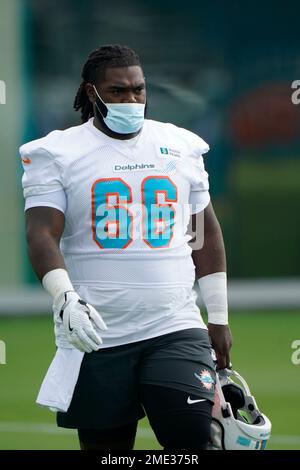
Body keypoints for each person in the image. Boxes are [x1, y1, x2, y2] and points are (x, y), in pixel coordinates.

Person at [20, 44, 232, 450]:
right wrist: (64, 298)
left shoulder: (180, 144)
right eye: (117, 91)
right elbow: (42, 233)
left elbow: (206, 232)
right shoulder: (57, 152)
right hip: (96, 333)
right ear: (91, 93)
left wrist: (218, 315)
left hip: (174, 325)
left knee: (193, 441)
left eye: (138, 90)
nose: (131, 100)